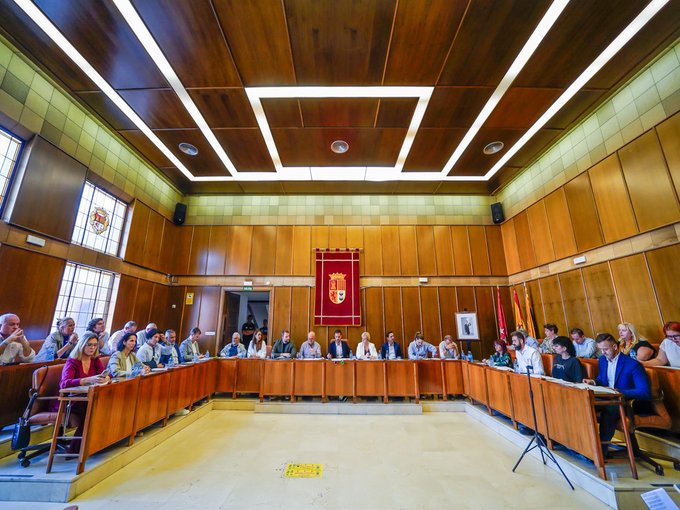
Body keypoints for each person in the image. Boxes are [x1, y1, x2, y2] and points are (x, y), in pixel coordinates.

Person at [583, 333, 651, 456]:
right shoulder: (602, 360)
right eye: (600, 349)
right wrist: (593, 382)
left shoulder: (632, 364)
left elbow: (645, 392)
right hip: (606, 397)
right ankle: (583, 446)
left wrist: (618, 391)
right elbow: (602, 379)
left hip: (625, 401)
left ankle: (601, 452)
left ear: (615, 347)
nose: (603, 352)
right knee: (583, 404)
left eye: (605, 349)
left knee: (611, 408)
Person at [53, 332, 110, 453]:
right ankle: (76, 448)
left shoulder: (95, 360)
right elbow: (64, 383)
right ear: (82, 345)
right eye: (89, 345)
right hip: (70, 400)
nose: (92, 348)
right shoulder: (72, 362)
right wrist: (86, 380)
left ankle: (97, 443)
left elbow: (107, 373)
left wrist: (107, 377)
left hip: (87, 397)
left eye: (95, 345)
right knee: (93, 408)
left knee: (104, 404)